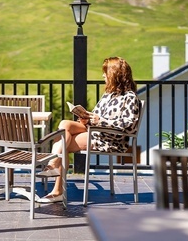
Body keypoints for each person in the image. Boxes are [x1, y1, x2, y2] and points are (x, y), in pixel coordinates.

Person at [38, 56, 141, 203]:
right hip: (95, 130)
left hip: (109, 139)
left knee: (64, 142)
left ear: (114, 74)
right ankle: (54, 166)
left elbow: (130, 125)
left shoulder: (129, 97)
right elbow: (96, 115)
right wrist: (86, 118)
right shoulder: (108, 95)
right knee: (65, 125)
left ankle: (57, 186)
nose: (103, 75)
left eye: (105, 72)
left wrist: (102, 121)